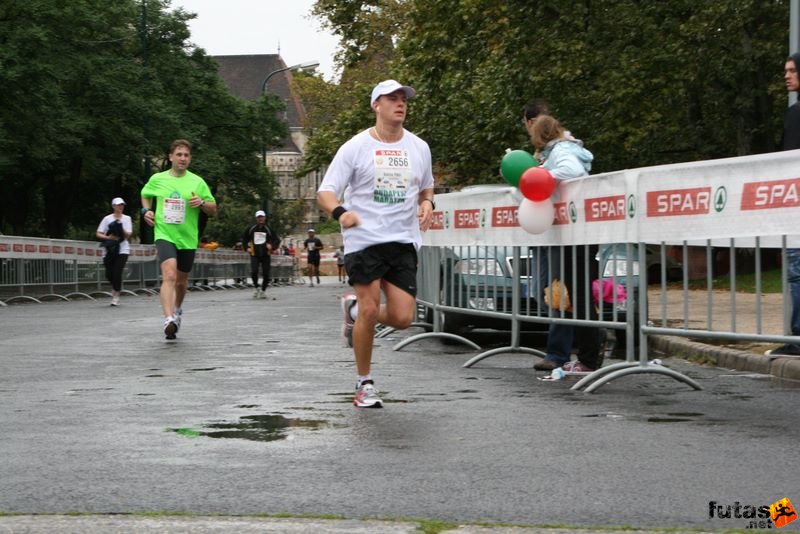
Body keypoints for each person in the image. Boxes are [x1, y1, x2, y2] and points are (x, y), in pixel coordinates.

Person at [317, 79, 435, 408]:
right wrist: (341, 213)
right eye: (392, 99)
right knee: (370, 309)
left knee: (403, 318)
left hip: (403, 240)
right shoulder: (355, 147)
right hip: (364, 238)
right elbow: (325, 192)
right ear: (376, 105)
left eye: (403, 99)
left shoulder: (419, 147)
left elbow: (427, 188)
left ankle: (352, 310)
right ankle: (364, 383)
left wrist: (427, 204)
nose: (400, 104)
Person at [526, 114, 603, 373]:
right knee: (568, 296)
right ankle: (584, 357)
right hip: (568, 232)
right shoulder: (559, 150)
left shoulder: (562, 151)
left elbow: (572, 172)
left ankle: (586, 358)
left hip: (574, 234)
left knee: (573, 297)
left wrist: (540, 173)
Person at [141, 139, 217, 340]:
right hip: (164, 234)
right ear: (171, 157)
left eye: (186, 155)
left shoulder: (197, 182)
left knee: (181, 283)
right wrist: (146, 211)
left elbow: (213, 209)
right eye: (179, 154)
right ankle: (168, 319)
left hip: (187, 238)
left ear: (189, 159)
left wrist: (201, 202)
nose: (182, 158)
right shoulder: (158, 179)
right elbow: (145, 194)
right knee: (169, 274)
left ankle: (177, 309)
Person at [767, 54, 800, 355]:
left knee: (797, 271)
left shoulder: (795, 114)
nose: (787, 76)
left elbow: (788, 159)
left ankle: (798, 338)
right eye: (785, 71)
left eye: (792, 71)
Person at [96, 197, 133, 306]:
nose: (120, 207)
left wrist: (120, 227)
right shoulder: (107, 219)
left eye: (122, 205)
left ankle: (116, 294)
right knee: (109, 273)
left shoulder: (127, 218)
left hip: (123, 249)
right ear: (113, 206)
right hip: (109, 249)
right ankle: (116, 286)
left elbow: (128, 235)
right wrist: (109, 238)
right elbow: (98, 233)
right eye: (118, 205)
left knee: (117, 271)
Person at [242, 210, 281, 299]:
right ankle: (257, 287)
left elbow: (277, 240)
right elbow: (244, 239)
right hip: (254, 254)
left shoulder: (269, 229)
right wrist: (246, 248)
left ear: (265, 218)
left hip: (265, 254)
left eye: (262, 217)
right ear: (256, 218)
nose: (260, 219)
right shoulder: (251, 228)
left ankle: (263, 290)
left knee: (266, 273)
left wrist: (272, 246)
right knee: (254, 271)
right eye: (259, 217)